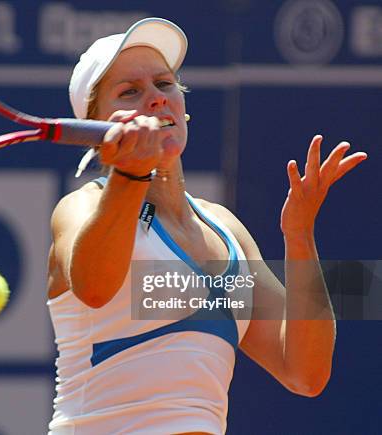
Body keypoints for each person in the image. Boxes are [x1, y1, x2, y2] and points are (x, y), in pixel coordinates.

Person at [46, 17, 367, 435]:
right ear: (97, 129)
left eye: (164, 84)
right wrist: (131, 173)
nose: (156, 99)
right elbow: (93, 286)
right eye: (130, 92)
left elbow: (305, 372)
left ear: (184, 105)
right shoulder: (80, 207)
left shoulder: (226, 229)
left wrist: (300, 236)